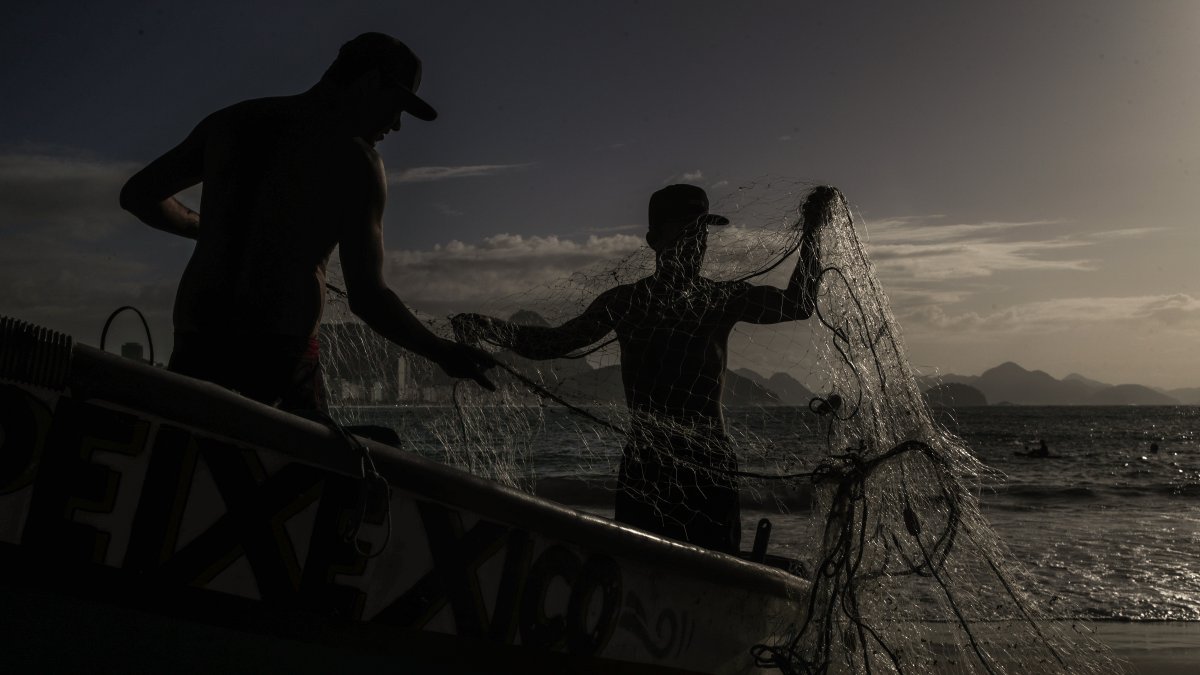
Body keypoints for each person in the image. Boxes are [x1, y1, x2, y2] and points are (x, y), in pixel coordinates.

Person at [120, 33, 494, 412]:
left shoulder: (231, 123)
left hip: (196, 346)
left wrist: (208, 228)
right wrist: (442, 351)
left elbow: (139, 196)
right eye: (396, 106)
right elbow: (368, 298)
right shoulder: (356, 161)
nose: (396, 125)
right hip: (278, 361)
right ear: (368, 83)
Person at [452, 184, 830, 553]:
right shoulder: (626, 302)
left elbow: (797, 304)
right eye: (684, 232)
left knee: (716, 568)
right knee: (637, 569)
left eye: (700, 233)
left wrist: (812, 232)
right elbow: (555, 343)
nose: (695, 243)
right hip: (648, 466)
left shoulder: (720, 299)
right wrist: (491, 329)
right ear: (654, 240)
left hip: (710, 462)